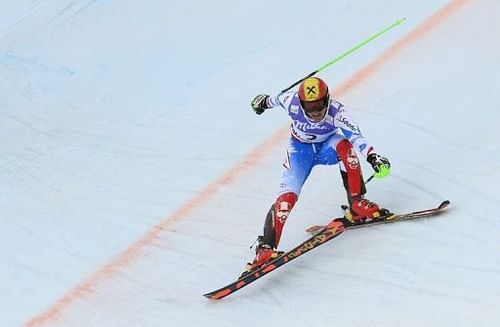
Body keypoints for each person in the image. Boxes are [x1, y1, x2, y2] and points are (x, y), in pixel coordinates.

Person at [246, 76, 391, 272]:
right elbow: (275, 99)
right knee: (286, 198)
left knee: (345, 145)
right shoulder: (291, 102)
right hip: (299, 154)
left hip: (326, 149)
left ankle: (357, 203)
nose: (315, 112)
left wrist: (373, 157)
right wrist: (262, 102)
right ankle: (265, 248)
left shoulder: (338, 112)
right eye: (310, 106)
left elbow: (356, 136)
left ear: (327, 99)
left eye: (319, 105)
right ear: (301, 103)